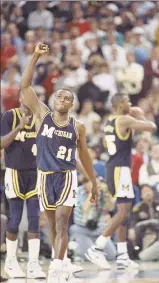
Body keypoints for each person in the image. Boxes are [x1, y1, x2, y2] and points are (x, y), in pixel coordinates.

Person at [20, 43, 99, 283]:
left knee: (64, 221)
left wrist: (93, 182)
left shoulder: (78, 126)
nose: (63, 99)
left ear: (71, 105)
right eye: (60, 96)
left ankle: (55, 268)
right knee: (53, 224)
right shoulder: (41, 115)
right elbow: (25, 86)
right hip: (44, 176)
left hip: (66, 176)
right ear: (54, 100)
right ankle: (62, 261)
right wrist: (35, 56)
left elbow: (84, 155)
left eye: (67, 98)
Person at [86, 95, 157, 270]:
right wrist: (140, 115)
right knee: (123, 213)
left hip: (114, 167)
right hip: (120, 170)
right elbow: (152, 127)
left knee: (123, 214)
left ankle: (123, 255)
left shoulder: (109, 121)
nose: (131, 105)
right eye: (129, 102)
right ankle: (97, 247)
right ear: (121, 104)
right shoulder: (125, 119)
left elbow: (106, 141)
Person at [1, 101, 46, 279]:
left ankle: (33, 264)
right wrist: (20, 126)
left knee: (35, 219)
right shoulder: (10, 116)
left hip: (35, 173)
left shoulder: (41, 117)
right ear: (21, 98)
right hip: (14, 172)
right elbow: (1, 143)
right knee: (15, 218)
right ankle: (11, 262)